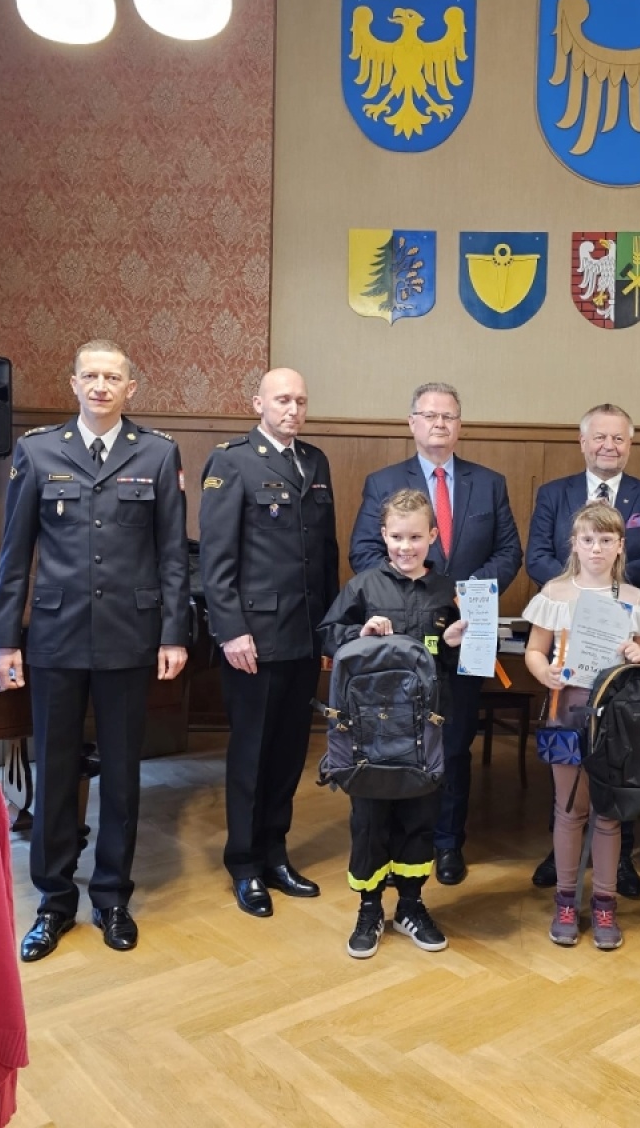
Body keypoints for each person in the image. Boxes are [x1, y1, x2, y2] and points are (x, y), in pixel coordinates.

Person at [0, 339, 190, 961]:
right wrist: (6, 639)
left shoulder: (157, 453)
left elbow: (173, 555)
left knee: (124, 776)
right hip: (55, 638)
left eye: (113, 377)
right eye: (91, 376)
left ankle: (111, 897)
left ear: (131, 388)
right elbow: (14, 554)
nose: (101, 386)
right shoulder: (37, 450)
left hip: (131, 638)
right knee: (54, 773)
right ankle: (53, 901)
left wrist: (174, 632)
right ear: (73, 384)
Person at [348, 382, 522, 886]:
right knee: (398, 741)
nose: (439, 423)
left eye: (448, 416)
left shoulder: (489, 483)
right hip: (402, 640)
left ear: (460, 425)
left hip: (465, 633)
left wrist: (467, 591)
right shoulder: (383, 482)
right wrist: (423, 589)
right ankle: (393, 844)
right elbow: (364, 552)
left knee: (454, 743)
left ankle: (447, 843)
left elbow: (509, 551)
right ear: (412, 423)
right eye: (429, 415)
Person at [198, 367, 340, 919]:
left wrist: (330, 628)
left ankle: (276, 854)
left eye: (300, 401)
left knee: (288, 754)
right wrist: (231, 629)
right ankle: (244, 863)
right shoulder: (232, 461)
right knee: (251, 755)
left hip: (303, 635)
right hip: (253, 638)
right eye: (282, 399)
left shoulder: (314, 462)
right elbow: (216, 559)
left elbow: (324, 555)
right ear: (257, 403)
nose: (293, 409)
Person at [526, 403, 640, 895]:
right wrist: (576, 591)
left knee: (612, 799)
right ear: (583, 442)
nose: (609, 445)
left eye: (618, 438)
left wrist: (613, 595)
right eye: (600, 437)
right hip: (567, 702)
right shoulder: (554, 496)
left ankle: (615, 875)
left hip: (619, 703)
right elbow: (536, 557)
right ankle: (566, 880)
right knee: (569, 802)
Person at [320, 489, 468, 958]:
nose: (406, 547)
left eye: (416, 537)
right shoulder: (363, 587)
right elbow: (327, 635)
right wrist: (358, 633)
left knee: (419, 816)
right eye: (397, 537)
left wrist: (456, 642)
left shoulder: (448, 591)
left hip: (424, 730)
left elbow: (457, 661)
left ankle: (410, 905)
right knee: (370, 818)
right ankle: (369, 908)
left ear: (434, 536)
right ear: (383, 535)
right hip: (370, 731)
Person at [521, 503, 640, 950]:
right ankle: (566, 900)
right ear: (574, 545)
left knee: (608, 812)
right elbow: (534, 651)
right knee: (569, 809)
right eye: (588, 540)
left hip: (615, 719)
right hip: (567, 710)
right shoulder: (556, 592)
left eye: (605, 540)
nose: (596, 548)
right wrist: (544, 673)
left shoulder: (634, 598)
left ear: (620, 545)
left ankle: (604, 902)